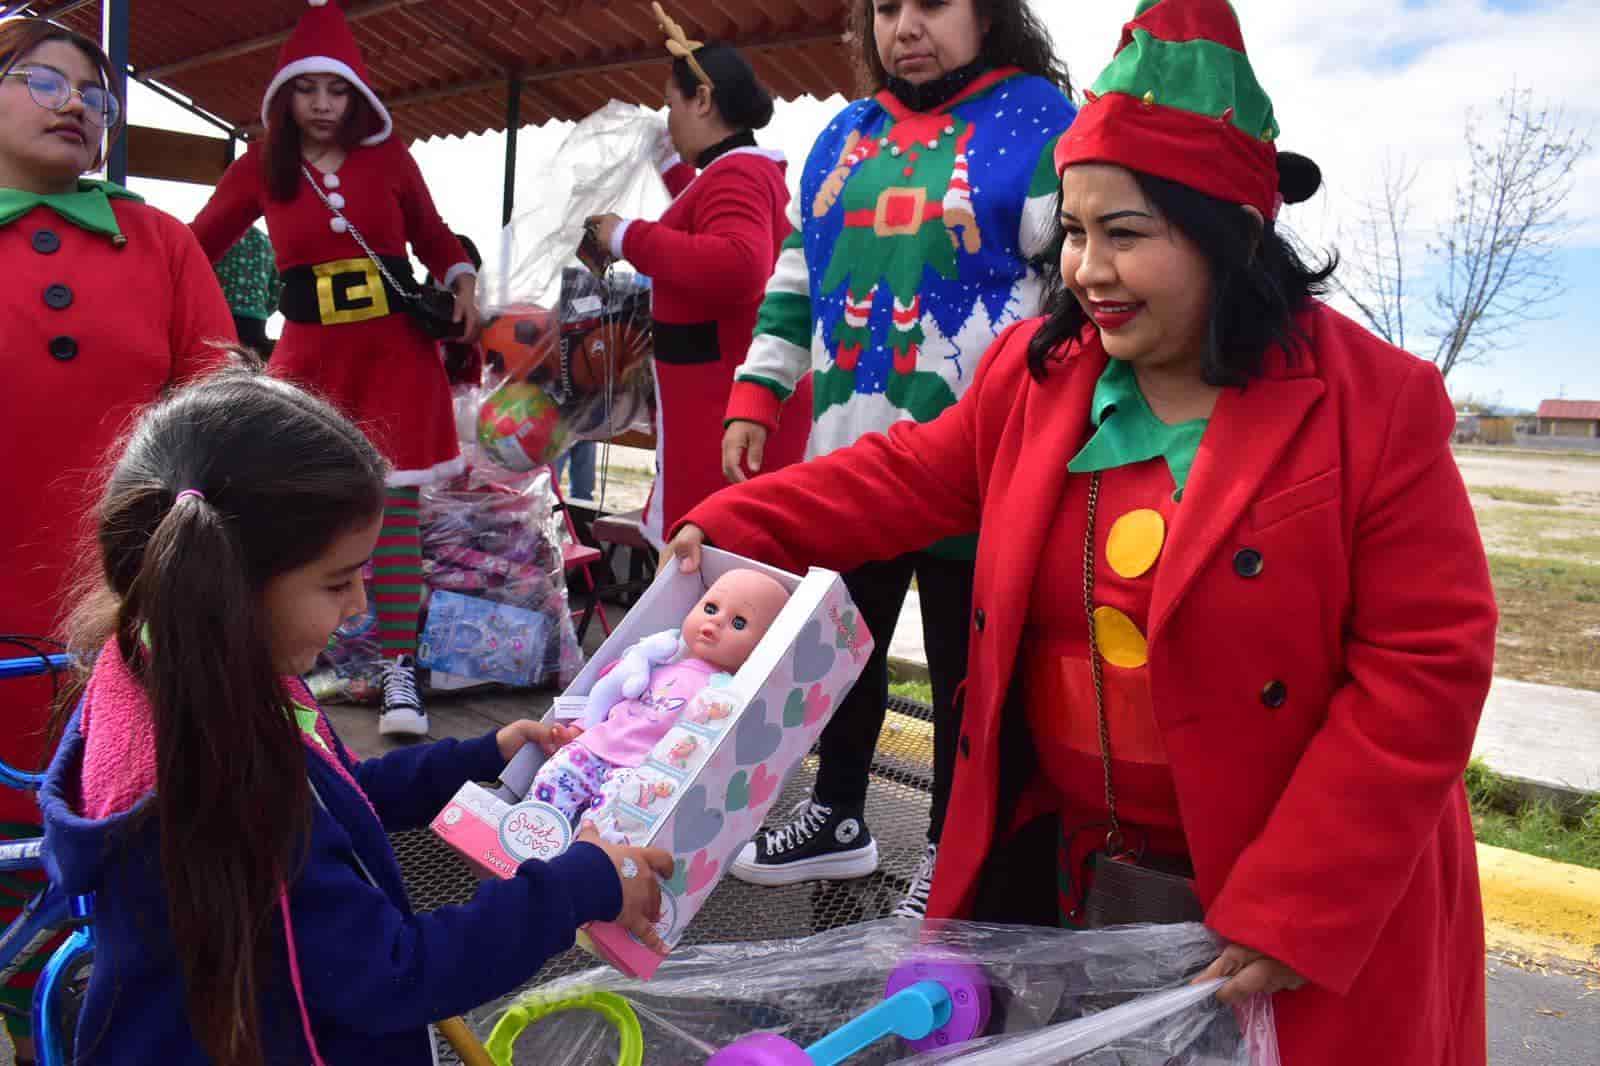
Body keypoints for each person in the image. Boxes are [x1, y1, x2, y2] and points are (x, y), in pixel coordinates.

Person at [665, 2, 1498, 1061]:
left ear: (1226, 231)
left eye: (1124, 234)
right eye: (1071, 230)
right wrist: (728, 520)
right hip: (1075, 886)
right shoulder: (1039, 376)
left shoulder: (1372, 403)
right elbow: (899, 475)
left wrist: (1300, 897)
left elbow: (1426, 665)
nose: (1085, 270)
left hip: (1284, 904)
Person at [38, 361, 673, 1066]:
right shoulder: (224, 782)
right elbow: (395, 975)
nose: (360, 609)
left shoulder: (181, 666)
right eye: (338, 582)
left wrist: (480, 754)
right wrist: (581, 882)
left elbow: (333, 792)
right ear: (226, 584)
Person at [713, 0, 1077, 917]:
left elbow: (1077, 274)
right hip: (853, 465)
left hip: (982, 467)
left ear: (988, 13)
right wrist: (759, 392)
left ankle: (953, 859)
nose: (906, 24)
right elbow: (798, 269)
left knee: (968, 673)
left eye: (933, 3)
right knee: (842, 649)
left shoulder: (1040, 122)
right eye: (885, 7)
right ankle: (838, 817)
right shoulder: (843, 134)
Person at [0, 18, 234, 1062]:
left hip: (126, 615)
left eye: (94, 95)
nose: (74, 104)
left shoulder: (158, 241)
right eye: (40, 80)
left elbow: (222, 412)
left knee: (128, 848)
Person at [191, 0, 479, 739]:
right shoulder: (261, 165)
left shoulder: (391, 157)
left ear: (359, 94)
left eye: (337, 88)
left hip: (395, 360)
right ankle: (274, 674)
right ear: (283, 95)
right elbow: (195, 246)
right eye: (307, 88)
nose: (322, 104)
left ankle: (398, 673)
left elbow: (437, 235)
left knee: (397, 520)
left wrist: (463, 281)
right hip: (309, 362)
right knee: (290, 516)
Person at [583, 10, 811, 547]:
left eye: (671, 104)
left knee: (707, 576)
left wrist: (625, 236)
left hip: (718, 420)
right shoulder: (745, 173)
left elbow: (736, 262)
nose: (668, 118)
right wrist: (668, 163)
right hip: (710, 413)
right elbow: (700, 211)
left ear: (703, 101)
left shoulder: (741, 174)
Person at [532, 569, 790, 829]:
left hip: (640, 772)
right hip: (596, 744)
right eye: (710, 608)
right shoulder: (660, 658)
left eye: (738, 623)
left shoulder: (724, 693)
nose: (715, 622)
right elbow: (610, 692)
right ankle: (534, 835)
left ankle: (578, 859)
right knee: (553, 777)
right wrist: (581, 727)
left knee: (610, 822)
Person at [212, 224, 281, 356]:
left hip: (221, 316)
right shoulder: (265, 241)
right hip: (256, 321)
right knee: (250, 367)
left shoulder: (216, 238)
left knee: (217, 368)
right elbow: (277, 288)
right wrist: (261, 311)